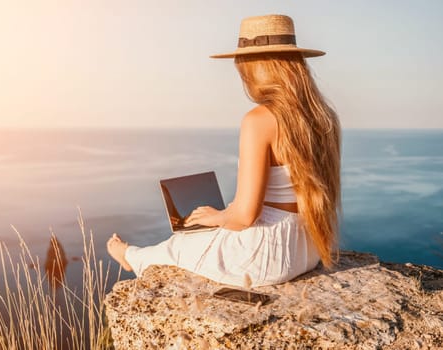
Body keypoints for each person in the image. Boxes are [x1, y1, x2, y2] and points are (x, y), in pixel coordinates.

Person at [107, 14, 341, 287]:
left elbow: (245, 216)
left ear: (252, 69)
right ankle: (136, 255)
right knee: (202, 233)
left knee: (180, 244)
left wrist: (218, 216)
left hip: (268, 258)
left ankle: (131, 256)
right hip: (308, 249)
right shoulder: (324, 116)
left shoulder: (259, 120)